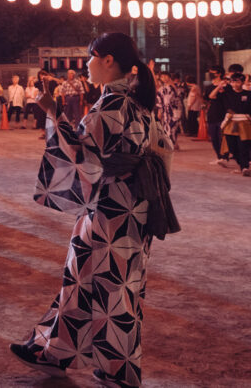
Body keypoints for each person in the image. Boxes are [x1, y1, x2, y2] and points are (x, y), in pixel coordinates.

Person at [11, 33, 176, 388]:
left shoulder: (111, 105)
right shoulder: (137, 103)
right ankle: (55, 352)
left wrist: (53, 113)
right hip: (133, 208)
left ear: (108, 61)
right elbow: (161, 148)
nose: (84, 64)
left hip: (110, 210)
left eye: (91, 57)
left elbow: (84, 157)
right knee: (95, 279)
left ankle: (118, 372)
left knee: (107, 287)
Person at [214, 72, 251, 176]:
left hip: (245, 122)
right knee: (232, 147)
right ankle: (241, 164)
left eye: (237, 81)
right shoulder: (227, 93)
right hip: (231, 122)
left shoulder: (248, 94)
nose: (235, 83)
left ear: (242, 82)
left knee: (243, 145)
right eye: (233, 81)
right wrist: (220, 86)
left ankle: (244, 167)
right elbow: (212, 96)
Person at [204, 68, 228, 162]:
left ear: (219, 73)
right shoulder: (209, 86)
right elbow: (208, 97)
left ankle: (224, 156)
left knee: (221, 137)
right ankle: (219, 156)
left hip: (223, 114)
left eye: (213, 73)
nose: (211, 74)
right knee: (213, 137)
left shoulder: (226, 86)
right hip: (212, 114)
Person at [155, 72, 183, 151]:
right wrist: (160, 111)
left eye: (165, 76)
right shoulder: (161, 89)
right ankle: (173, 144)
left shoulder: (176, 86)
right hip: (165, 111)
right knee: (168, 127)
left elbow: (179, 95)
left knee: (172, 127)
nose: (163, 78)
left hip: (175, 110)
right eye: (162, 77)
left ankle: (172, 144)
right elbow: (159, 100)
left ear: (169, 77)